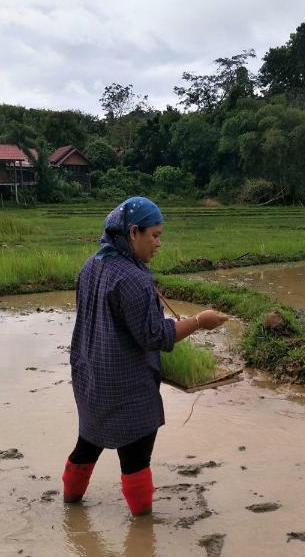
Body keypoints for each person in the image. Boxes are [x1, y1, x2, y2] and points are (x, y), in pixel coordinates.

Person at [61, 196, 227, 514]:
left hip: (90, 378)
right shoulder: (134, 280)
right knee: (136, 460)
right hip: (127, 388)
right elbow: (154, 336)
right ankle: (142, 531)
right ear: (133, 233)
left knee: (88, 442)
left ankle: (70, 504)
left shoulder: (91, 265)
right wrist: (198, 322)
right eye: (155, 235)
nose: (159, 243)